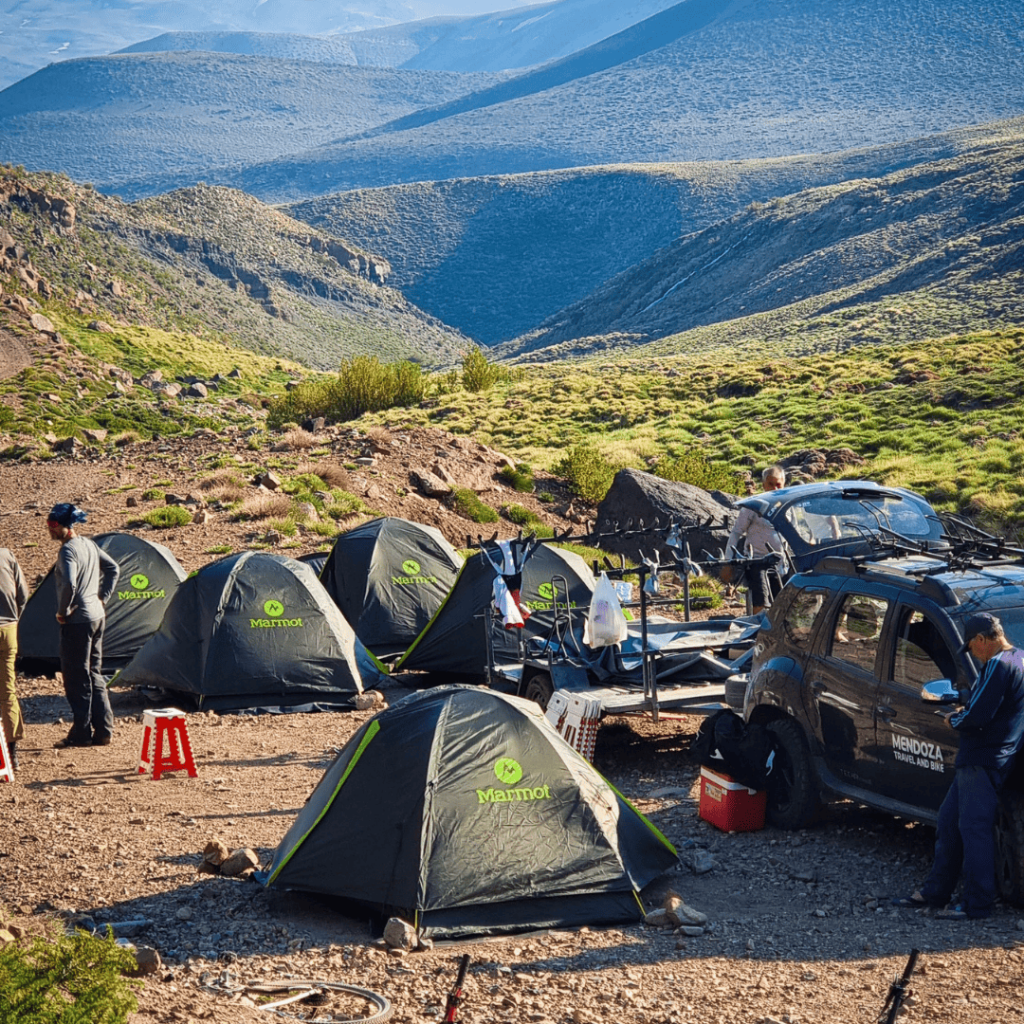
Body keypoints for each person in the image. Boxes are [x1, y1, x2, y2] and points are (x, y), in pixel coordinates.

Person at [895, 612, 1024, 919]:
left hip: (982, 758)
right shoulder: (1019, 659)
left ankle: (977, 904)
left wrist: (953, 719)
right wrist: (968, 699)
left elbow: (977, 716)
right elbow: (995, 701)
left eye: (972, 646)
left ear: (982, 639)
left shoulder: (997, 665)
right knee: (949, 822)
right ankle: (935, 892)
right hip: (996, 756)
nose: (973, 653)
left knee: (973, 829)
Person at [47, 503, 120, 749]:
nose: (49, 529)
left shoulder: (68, 550)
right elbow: (113, 568)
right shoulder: (89, 544)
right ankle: (104, 731)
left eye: (53, 524)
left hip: (77, 621)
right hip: (97, 617)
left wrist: (62, 611)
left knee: (76, 678)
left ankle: (81, 734)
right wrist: (102, 599)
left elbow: (69, 583)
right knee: (94, 673)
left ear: (64, 526)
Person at [726, 464, 788, 614]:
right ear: (764, 485)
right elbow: (736, 532)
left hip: (781, 563)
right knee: (761, 602)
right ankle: (758, 626)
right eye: (770, 484)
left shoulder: (787, 506)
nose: (774, 488)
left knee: (783, 604)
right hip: (757, 561)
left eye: (778, 484)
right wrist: (728, 561)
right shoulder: (753, 506)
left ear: (783, 484)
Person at [0, 546, 29, 770]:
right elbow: (23, 595)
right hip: (9, 629)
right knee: (7, 691)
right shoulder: (7, 555)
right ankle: (12, 753)